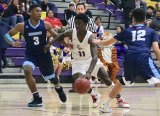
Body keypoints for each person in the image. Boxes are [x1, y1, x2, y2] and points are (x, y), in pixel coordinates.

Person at [44, 13, 130, 108]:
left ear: (85, 24)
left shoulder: (90, 37)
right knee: (78, 81)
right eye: (76, 23)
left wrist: (89, 72)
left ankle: (120, 99)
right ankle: (94, 95)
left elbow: (94, 57)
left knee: (107, 80)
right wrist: (50, 43)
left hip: (91, 60)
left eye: (79, 24)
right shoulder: (71, 32)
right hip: (77, 61)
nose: (77, 26)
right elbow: (59, 36)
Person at [92, 8, 160, 113]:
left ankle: (106, 105)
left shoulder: (127, 31)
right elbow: (156, 49)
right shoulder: (151, 31)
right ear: (145, 19)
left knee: (122, 81)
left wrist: (97, 41)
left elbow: (108, 42)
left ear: (132, 18)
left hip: (129, 58)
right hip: (143, 58)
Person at [4, 4, 67, 107]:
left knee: (52, 79)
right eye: (37, 11)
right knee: (27, 70)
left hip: (44, 55)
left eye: (40, 11)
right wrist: (12, 43)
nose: (39, 13)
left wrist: (66, 45)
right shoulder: (22, 26)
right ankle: (36, 97)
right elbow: (6, 35)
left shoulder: (46, 24)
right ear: (30, 12)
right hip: (31, 55)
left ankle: (58, 88)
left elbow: (57, 37)